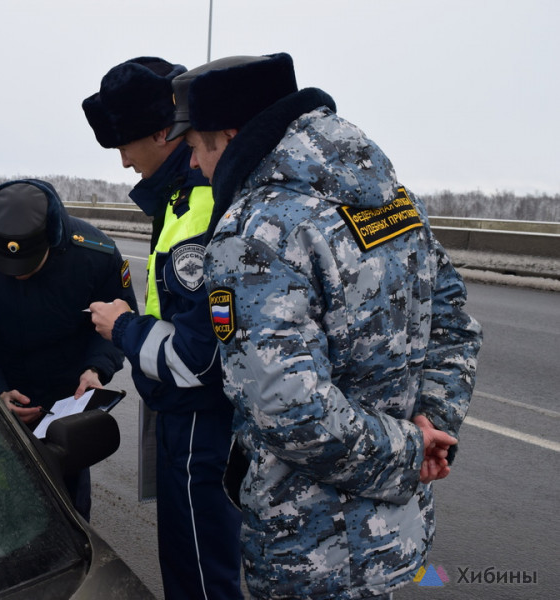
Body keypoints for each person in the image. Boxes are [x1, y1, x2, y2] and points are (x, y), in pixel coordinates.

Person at [168, 54, 483, 599]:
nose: (194, 166)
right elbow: (453, 327)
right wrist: (432, 423)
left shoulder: (255, 232)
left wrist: (412, 452)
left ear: (231, 133)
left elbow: (289, 409)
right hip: (396, 532)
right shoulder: (397, 201)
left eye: (196, 146)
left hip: (311, 550)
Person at [82, 57, 243, 599]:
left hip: (198, 418)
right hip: (183, 412)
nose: (124, 162)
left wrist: (123, 326)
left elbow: (199, 354)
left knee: (199, 575)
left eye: (126, 144)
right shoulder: (179, 195)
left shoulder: (199, 202)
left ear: (162, 131)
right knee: (190, 560)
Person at [0, 178, 135, 520]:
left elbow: (112, 325)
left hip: (67, 399)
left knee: (70, 506)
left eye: (30, 266)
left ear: (52, 240)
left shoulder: (95, 255)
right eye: (8, 267)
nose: (19, 277)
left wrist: (96, 369)